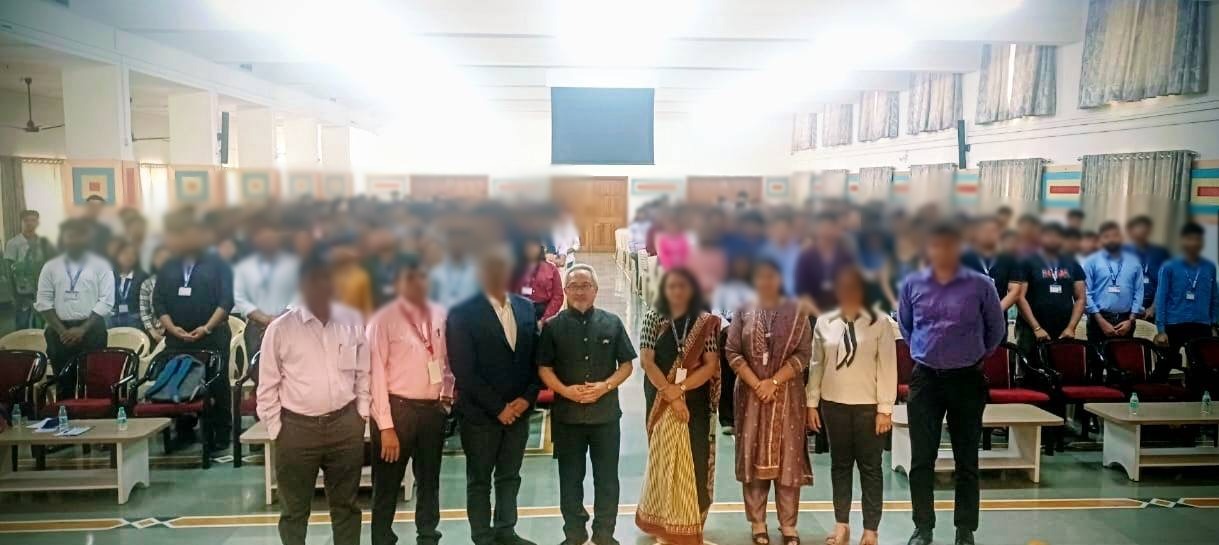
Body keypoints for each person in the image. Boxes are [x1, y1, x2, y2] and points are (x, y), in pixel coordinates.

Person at [898, 221, 1006, 545]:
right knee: (921, 459)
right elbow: (906, 326)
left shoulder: (981, 285)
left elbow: (996, 330)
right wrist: (927, 351)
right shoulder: (912, 283)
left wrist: (974, 355)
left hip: (967, 379)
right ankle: (923, 527)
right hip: (926, 380)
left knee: (966, 459)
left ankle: (965, 528)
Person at [257, 254, 370, 545]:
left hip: (345, 426)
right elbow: (267, 386)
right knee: (294, 511)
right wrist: (277, 429)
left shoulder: (352, 322)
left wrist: (360, 415)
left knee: (346, 507)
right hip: (296, 430)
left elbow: (363, 373)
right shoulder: (280, 329)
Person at [537, 264, 636, 545]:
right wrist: (565, 391)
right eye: (574, 286)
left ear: (595, 290)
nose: (580, 291)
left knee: (607, 479)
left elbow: (626, 365)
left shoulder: (612, 323)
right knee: (570, 479)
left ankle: (605, 533)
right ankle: (574, 533)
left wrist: (605, 386)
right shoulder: (552, 327)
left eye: (585, 286)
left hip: (605, 416)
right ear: (565, 291)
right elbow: (544, 368)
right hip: (567, 417)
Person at [447, 248, 540, 545]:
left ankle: (506, 530)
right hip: (480, 415)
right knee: (479, 480)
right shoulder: (462, 312)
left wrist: (526, 399)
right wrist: (499, 407)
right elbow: (464, 369)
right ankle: (482, 536)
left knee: (510, 476)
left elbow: (536, 360)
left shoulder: (526, 308)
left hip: (519, 413)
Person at [725, 259, 813, 545]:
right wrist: (757, 384)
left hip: (787, 396)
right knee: (753, 458)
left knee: (789, 460)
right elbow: (732, 350)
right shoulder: (743, 309)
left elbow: (803, 353)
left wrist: (773, 382)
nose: (767, 282)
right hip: (751, 397)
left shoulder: (798, 310)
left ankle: (789, 526)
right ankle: (758, 523)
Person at [807, 266, 897, 545]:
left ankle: (871, 530)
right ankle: (842, 525)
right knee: (840, 466)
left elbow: (888, 367)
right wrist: (811, 403)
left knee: (871, 468)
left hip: (868, 407)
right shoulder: (825, 321)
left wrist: (885, 409)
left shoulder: (880, 322)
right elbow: (816, 365)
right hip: (833, 404)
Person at [367, 259, 453, 545]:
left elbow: (444, 360)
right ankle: (382, 537)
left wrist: (447, 395)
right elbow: (375, 373)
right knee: (387, 483)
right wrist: (385, 426)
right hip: (397, 409)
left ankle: (428, 534)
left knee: (429, 480)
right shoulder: (383, 317)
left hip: (431, 410)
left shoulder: (438, 313)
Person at [635, 268, 721, 545]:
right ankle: (664, 527)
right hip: (660, 397)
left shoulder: (703, 320)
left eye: (683, 286)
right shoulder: (653, 317)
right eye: (671, 286)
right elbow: (647, 361)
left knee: (695, 461)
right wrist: (670, 395)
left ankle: (691, 525)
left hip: (694, 400)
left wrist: (681, 390)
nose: (677, 291)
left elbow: (710, 364)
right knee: (665, 460)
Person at [153, 214, 234, 448]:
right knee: (180, 380)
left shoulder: (218, 264)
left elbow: (226, 300)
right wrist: (172, 328)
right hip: (177, 337)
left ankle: (221, 432)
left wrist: (207, 328)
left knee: (216, 384)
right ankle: (184, 431)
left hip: (212, 335)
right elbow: (159, 301)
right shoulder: (169, 265)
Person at [35, 219, 114, 399]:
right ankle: (66, 415)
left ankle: (94, 415)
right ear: (63, 239)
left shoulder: (101, 266)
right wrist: (63, 331)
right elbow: (43, 302)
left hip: (92, 329)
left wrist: (82, 329)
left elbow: (106, 300)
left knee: (95, 382)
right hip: (58, 331)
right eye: (71, 236)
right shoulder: (50, 267)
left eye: (80, 236)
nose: (75, 240)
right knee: (64, 383)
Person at [1014, 223, 1086, 363]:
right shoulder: (1026, 262)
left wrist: (1071, 327)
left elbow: (1080, 298)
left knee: (1061, 370)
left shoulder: (1072, 263)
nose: (1053, 239)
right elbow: (1020, 297)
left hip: (1063, 330)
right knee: (1031, 371)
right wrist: (1036, 328)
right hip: (1031, 330)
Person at [1153, 222, 1219, 360]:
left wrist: (1213, 325)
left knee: (1201, 366)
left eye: (1197, 239)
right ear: (1182, 241)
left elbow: (1214, 298)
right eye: (1189, 239)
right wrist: (1161, 330)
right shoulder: (1169, 266)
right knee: (1168, 364)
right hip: (1174, 325)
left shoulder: (1210, 267)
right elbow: (1161, 298)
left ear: (1202, 242)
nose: (1193, 243)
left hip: (1202, 326)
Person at [233, 223, 300, 353]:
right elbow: (241, 299)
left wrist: (279, 321)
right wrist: (266, 320)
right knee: (258, 363)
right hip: (257, 327)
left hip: (289, 326)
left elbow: (298, 298)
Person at [1083, 221, 1144, 346]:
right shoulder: (1091, 262)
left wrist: (1131, 320)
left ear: (1121, 237)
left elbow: (1139, 291)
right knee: (1095, 357)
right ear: (1100, 239)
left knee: (1124, 357)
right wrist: (1101, 321)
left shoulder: (1134, 262)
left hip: (1126, 320)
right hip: (1098, 320)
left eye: (1115, 235)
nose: (1111, 239)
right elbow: (1086, 292)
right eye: (1106, 236)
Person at [796, 212, 854, 320]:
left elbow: (852, 288)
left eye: (831, 226)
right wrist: (820, 317)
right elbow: (802, 293)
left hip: (842, 314)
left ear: (838, 230)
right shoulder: (806, 256)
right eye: (824, 226)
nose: (827, 231)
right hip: (813, 313)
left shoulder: (846, 256)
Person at [960, 216, 1023, 313]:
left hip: (998, 317)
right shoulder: (964, 258)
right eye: (984, 230)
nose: (988, 234)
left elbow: (1015, 291)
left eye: (993, 231)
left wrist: (995, 311)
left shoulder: (1008, 259)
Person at [5, 210, 55, 329]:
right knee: (23, 322)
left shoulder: (43, 243)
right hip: (22, 292)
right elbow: (8, 270)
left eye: (33, 220)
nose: (29, 223)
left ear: (37, 223)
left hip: (41, 288)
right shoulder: (13, 243)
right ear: (21, 222)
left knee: (44, 322)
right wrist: (12, 294)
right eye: (26, 220)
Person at [1126, 215, 1171, 319]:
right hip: (1128, 308)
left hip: (1153, 307)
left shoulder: (1160, 253)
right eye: (1138, 227)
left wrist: (1154, 307)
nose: (1142, 231)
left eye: (1145, 227)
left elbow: (1165, 282)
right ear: (1131, 230)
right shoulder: (1123, 252)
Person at [511, 238, 564, 324]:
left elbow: (558, 296)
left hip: (546, 312)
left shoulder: (552, 269)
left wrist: (544, 319)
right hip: (521, 313)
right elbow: (511, 294)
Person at [429, 230, 479, 308]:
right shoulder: (436, 272)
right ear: (448, 244)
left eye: (460, 241)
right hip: (443, 314)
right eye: (454, 241)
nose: (457, 245)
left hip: (470, 314)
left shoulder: (476, 272)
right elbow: (431, 301)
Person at [108, 240, 147, 329]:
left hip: (134, 319)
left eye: (133, 254)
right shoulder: (110, 275)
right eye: (125, 253)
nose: (129, 257)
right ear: (117, 256)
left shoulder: (142, 277)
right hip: (114, 318)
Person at [139, 247, 171, 344]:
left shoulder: (179, 282)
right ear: (154, 261)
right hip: (155, 333)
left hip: (175, 332)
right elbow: (144, 313)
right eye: (160, 258)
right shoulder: (147, 284)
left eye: (167, 258)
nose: (163, 261)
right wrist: (154, 334)